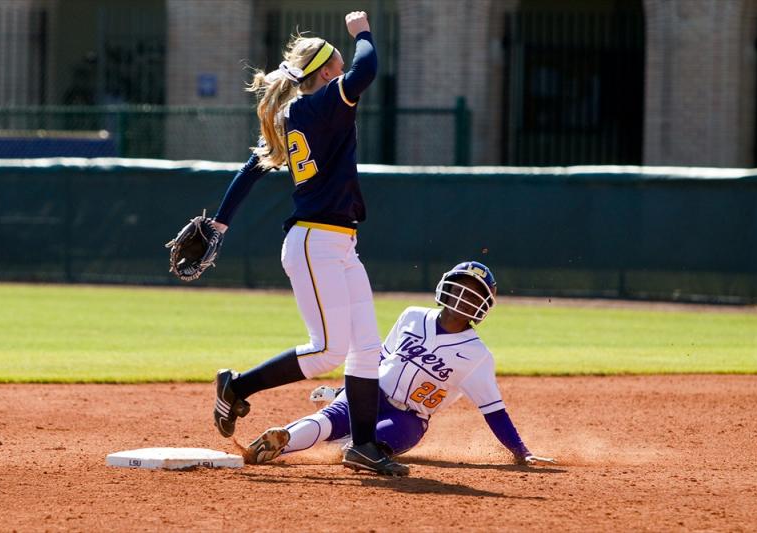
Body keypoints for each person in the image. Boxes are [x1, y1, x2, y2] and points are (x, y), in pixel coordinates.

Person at [208, 12, 408, 476]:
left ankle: (363, 445)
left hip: (336, 242)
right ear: (324, 73)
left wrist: (220, 225)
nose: (343, 72)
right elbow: (369, 68)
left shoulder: (293, 113)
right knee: (329, 351)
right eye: (336, 66)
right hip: (316, 240)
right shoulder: (322, 105)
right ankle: (236, 387)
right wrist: (362, 33)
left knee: (366, 350)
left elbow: (248, 172)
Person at [240, 261, 557, 468]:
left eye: (474, 293)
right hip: (371, 393)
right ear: (445, 287)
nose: (463, 296)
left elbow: (494, 411)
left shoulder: (476, 355)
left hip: (408, 419)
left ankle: (343, 446)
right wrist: (345, 389)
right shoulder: (412, 315)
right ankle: (276, 444)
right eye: (460, 286)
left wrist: (521, 451)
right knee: (326, 419)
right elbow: (379, 359)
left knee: (363, 447)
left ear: (482, 305)